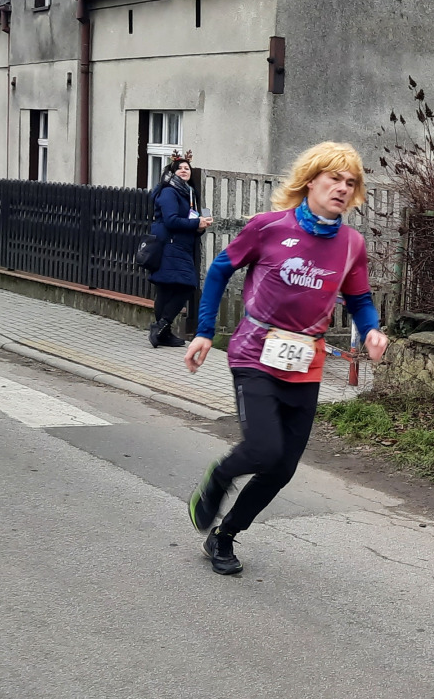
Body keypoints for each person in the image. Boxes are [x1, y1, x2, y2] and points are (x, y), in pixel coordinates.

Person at [182, 142, 389, 575]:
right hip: (255, 352)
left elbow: (359, 298)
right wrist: (204, 331)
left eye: (350, 182)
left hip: (305, 363)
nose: (342, 188)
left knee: (281, 468)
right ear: (311, 181)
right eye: (334, 178)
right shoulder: (268, 227)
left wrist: (370, 328)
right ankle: (219, 477)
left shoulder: (351, 244)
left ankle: (224, 536)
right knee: (263, 449)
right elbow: (220, 269)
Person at [147, 154, 212, 347]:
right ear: (172, 172)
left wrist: (199, 227)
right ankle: (161, 326)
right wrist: (196, 223)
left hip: (180, 245)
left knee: (166, 289)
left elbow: (189, 222)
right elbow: (171, 220)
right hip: (169, 245)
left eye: (187, 168)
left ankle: (162, 333)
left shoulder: (188, 193)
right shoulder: (169, 192)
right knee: (187, 285)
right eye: (180, 168)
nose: (184, 170)